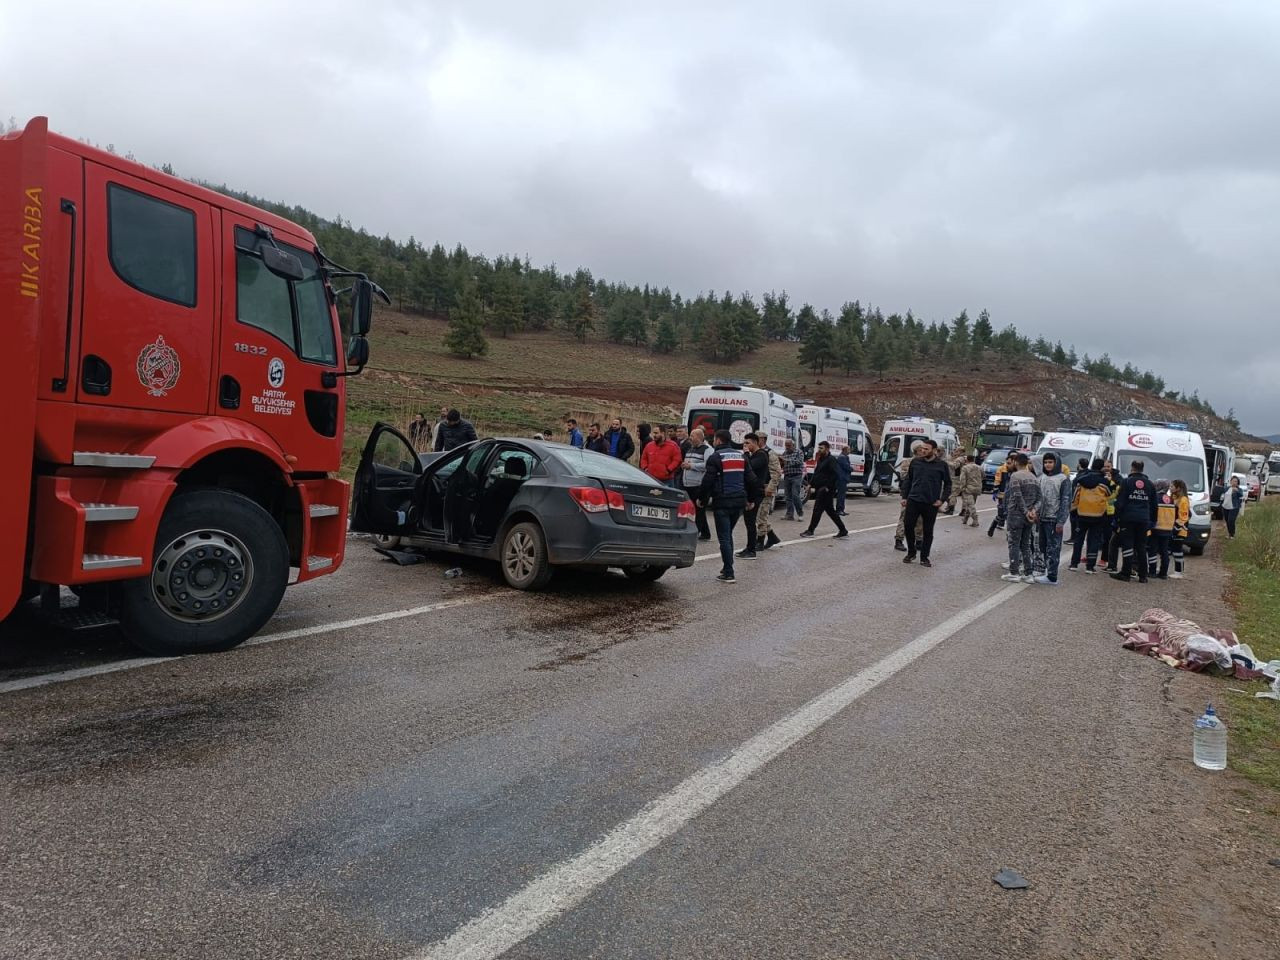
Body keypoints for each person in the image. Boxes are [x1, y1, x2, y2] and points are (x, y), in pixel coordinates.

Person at [699, 429, 761, 583]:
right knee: (728, 535)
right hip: (739, 503)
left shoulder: (715, 457)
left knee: (724, 538)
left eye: (714, 439)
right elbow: (752, 480)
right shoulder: (741, 456)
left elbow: (708, 481)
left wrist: (702, 499)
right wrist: (751, 499)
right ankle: (728, 566)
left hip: (722, 502)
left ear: (718, 441)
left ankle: (728, 572)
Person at [900, 438, 951, 567]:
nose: (923, 450)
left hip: (931, 503)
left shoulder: (942, 465)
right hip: (914, 500)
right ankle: (911, 552)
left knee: (928, 531)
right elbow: (908, 480)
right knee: (908, 526)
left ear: (934, 450)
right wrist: (904, 497)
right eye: (922, 448)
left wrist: (942, 499)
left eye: (926, 449)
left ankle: (924, 557)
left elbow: (948, 484)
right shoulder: (915, 462)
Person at [1110, 458, 1157, 583]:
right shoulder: (1150, 484)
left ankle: (1126, 573)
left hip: (1128, 518)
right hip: (1144, 520)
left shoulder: (1126, 482)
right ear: (1142, 469)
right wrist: (1152, 521)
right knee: (1141, 547)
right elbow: (1154, 505)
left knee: (1128, 546)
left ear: (1132, 468)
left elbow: (1120, 502)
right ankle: (1143, 576)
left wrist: (1116, 519)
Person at [1000, 453, 1041, 583]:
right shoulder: (1034, 477)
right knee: (1026, 544)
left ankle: (1014, 572)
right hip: (1030, 516)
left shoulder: (1015, 476)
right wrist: (1033, 511)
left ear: (1016, 462)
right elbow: (1040, 498)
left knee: (1014, 543)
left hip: (1016, 514)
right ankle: (1028, 573)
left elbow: (1017, 496)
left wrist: (1025, 511)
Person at [1067, 459, 1112, 574]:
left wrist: (1073, 510)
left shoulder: (1082, 480)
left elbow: (1075, 497)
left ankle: (1074, 563)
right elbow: (1109, 496)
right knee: (1094, 540)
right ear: (1102, 468)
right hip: (1098, 515)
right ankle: (1090, 566)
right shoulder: (1104, 482)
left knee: (1079, 540)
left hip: (1082, 514)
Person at [1034, 451, 1071, 584]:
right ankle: (1046, 571)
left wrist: (1061, 521)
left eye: (1050, 462)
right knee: (1043, 546)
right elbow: (1038, 497)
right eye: (1045, 462)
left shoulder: (1063, 479)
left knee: (1053, 548)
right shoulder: (1042, 477)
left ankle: (1052, 576)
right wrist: (1036, 513)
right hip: (1042, 518)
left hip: (1054, 519)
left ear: (1056, 463)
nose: (1048, 464)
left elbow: (1066, 501)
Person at [801, 442, 849, 539]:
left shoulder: (831, 460)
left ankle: (811, 530)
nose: (819, 450)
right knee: (830, 511)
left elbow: (835, 475)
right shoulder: (820, 459)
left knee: (817, 510)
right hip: (820, 488)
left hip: (826, 490)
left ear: (827, 449)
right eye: (819, 448)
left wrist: (828, 487)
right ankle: (843, 530)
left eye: (821, 448)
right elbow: (817, 473)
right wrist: (810, 484)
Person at [738, 433, 772, 559]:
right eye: (744, 443)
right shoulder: (754, 455)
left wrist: (746, 454)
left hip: (756, 492)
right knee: (748, 521)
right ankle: (749, 547)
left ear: (755, 443)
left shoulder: (761, 455)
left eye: (747, 443)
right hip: (750, 491)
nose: (745, 445)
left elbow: (749, 466)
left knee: (751, 521)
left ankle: (752, 550)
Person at [681, 427, 712, 540]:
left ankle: (697, 531)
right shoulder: (691, 449)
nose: (690, 438)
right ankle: (705, 533)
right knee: (697, 510)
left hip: (698, 484)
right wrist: (685, 465)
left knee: (698, 510)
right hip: (688, 483)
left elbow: (708, 465)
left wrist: (691, 466)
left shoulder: (707, 449)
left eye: (692, 436)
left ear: (699, 437)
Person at [895, 441, 925, 551]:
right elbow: (904, 477)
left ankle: (919, 541)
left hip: (921, 495)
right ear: (917, 450)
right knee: (904, 518)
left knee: (920, 519)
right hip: (910, 493)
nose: (924, 451)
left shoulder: (925, 462)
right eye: (922, 449)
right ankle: (899, 540)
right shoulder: (908, 462)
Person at [757, 438, 782, 551]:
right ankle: (772, 536)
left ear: (762, 440)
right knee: (759, 515)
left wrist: (770, 488)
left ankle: (760, 541)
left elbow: (776, 473)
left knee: (762, 515)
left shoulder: (770, 453)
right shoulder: (757, 452)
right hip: (758, 488)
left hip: (767, 488)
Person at [1167, 478, 1191, 580]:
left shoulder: (1183, 500)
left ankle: (1178, 572)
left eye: (1172, 486)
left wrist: (1176, 529)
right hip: (1173, 527)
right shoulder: (1173, 497)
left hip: (1180, 529)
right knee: (1173, 549)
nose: (1170, 488)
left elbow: (1183, 517)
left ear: (1178, 488)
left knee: (1178, 550)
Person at [780, 439, 806, 521]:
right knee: (787, 496)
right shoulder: (784, 453)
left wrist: (786, 461)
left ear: (793, 445)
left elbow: (799, 462)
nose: (787, 447)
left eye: (789, 445)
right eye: (786, 445)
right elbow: (782, 464)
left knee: (795, 495)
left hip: (796, 476)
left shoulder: (799, 452)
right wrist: (780, 462)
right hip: (787, 476)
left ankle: (800, 513)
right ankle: (789, 515)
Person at [956, 455, 984, 527]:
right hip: (977, 488)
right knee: (971, 503)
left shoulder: (965, 468)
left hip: (969, 488)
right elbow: (983, 476)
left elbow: (962, 479)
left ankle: (975, 520)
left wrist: (962, 488)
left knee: (970, 505)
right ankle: (965, 519)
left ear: (967, 460)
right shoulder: (979, 467)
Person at [835, 445, 853, 516]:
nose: (849, 451)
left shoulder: (845, 457)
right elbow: (847, 467)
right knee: (841, 495)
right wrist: (851, 468)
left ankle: (842, 509)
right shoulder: (842, 458)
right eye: (848, 450)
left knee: (843, 495)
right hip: (841, 479)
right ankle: (839, 510)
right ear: (845, 450)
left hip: (843, 479)